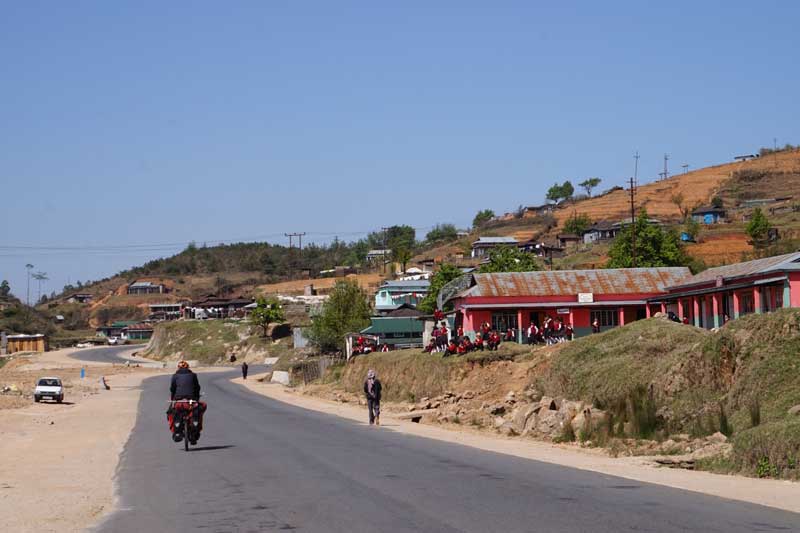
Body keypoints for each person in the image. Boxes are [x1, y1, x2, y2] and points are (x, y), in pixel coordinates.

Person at [168, 360, 207, 438]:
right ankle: (196, 429)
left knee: (170, 412)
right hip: (191, 400)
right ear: (188, 367)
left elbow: (172, 389)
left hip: (178, 400)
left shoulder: (175, 376)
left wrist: (173, 399)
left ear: (178, 368)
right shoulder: (193, 375)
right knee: (201, 408)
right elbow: (197, 388)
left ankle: (175, 431)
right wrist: (196, 398)